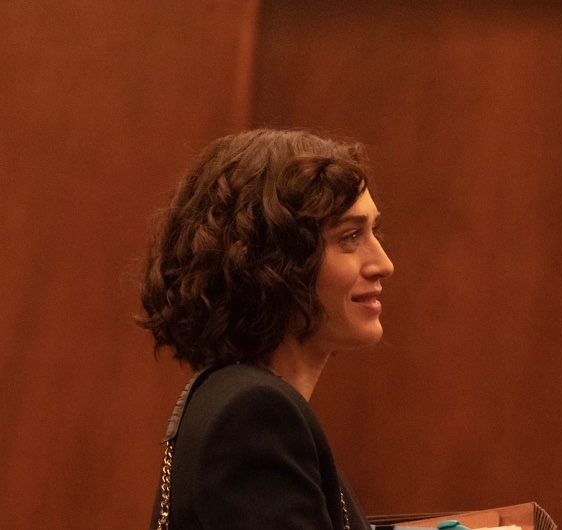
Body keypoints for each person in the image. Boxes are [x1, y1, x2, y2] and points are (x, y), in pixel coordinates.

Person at [138, 129, 393, 529]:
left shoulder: (235, 399)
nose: (383, 263)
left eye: (374, 232)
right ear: (275, 261)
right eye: (349, 237)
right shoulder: (252, 415)